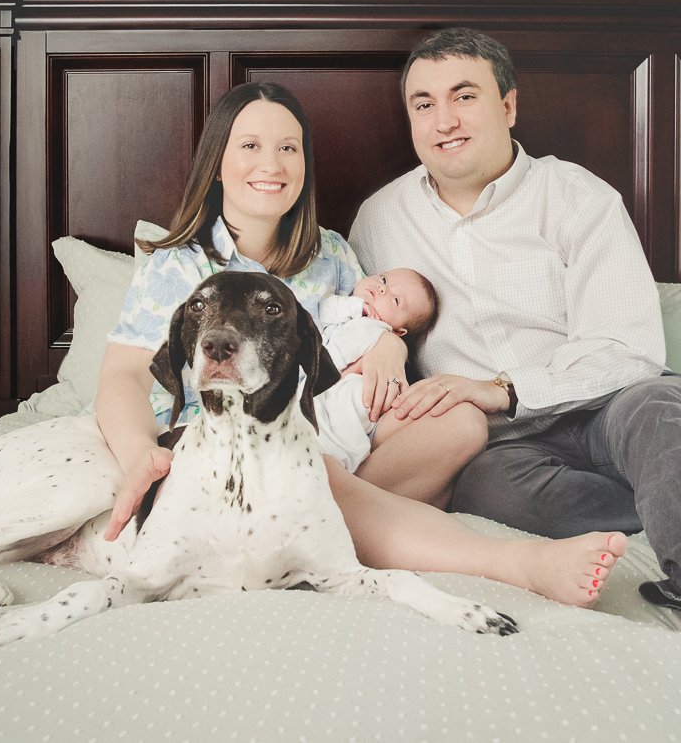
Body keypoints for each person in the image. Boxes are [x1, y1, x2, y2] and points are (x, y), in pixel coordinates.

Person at [350, 28, 681, 654]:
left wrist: (502, 389)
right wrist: (386, 345)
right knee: (487, 490)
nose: (443, 120)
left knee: (662, 408)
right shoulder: (380, 219)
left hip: (614, 404)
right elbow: (351, 322)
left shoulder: (578, 197)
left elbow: (629, 350)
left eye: (464, 96)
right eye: (423, 104)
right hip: (501, 448)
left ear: (507, 106)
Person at [95, 80, 627, 609]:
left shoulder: (330, 252)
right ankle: (518, 565)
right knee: (309, 467)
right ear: (217, 163)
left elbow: (370, 321)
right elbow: (122, 377)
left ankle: (333, 520)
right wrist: (140, 452)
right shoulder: (178, 265)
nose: (272, 164)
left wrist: (388, 348)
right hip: (226, 447)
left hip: (329, 429)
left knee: (461, 421)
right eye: (250, 146)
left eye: (288, 148)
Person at [317, 268, 442, 474]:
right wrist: (356, 306)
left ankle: (332, 454)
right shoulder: (346, 308)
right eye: (383, 279)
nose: (382, 289)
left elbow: (330, 362)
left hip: (335, 404)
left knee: (354, 399)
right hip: (321, 395)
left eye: (396, 300)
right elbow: (320, 309)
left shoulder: (372, 329)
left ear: (398, 331)